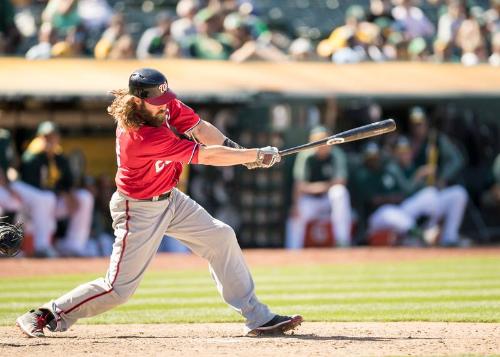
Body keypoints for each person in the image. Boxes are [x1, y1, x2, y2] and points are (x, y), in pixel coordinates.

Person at [16, 68, 302, 338]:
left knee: (221, 237)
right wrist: (253, 156)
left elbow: (201, 130)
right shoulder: (139, 136)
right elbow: (207, 155)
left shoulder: (163, 105)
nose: (166, 105)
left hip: (171, 197)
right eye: (158, 101)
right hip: (138, 208)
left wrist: (240, 151)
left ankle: (257, 316)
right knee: (118, 290)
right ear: (138, 101)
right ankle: (46, 314)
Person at [20, 121, 94, 256]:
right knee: (47, 198)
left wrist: (70, 194)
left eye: (53, 136)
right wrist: (62, 193)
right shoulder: (31, 158)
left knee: (84, 197)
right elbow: (36, 189)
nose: (50, 140)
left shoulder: (59, 158)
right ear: (39, 138)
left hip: (54, 204)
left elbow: (68, 183)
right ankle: (42, 247)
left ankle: (74, 246)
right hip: (33, 209)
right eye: (46, 137)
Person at [286, 126, 352, 248]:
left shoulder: (336, 154)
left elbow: (340, 182)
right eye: (317, 141)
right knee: (295, 215)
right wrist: (295, 205)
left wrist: (314, 187)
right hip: (310, 200)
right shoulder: (306, 155)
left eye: (323, 140)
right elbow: (299, 186)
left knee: (340, 192)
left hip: (329, 199)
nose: (321, 145)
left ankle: (343, 242)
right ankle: (293, 251)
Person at [0, 128, 58, 257]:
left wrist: (11, 179)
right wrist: (9, 187)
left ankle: (39, 246)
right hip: (5, 187)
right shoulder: (35, 150)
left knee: (41, 200)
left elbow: (14, 164)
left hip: (9, 186)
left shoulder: (5, 136)